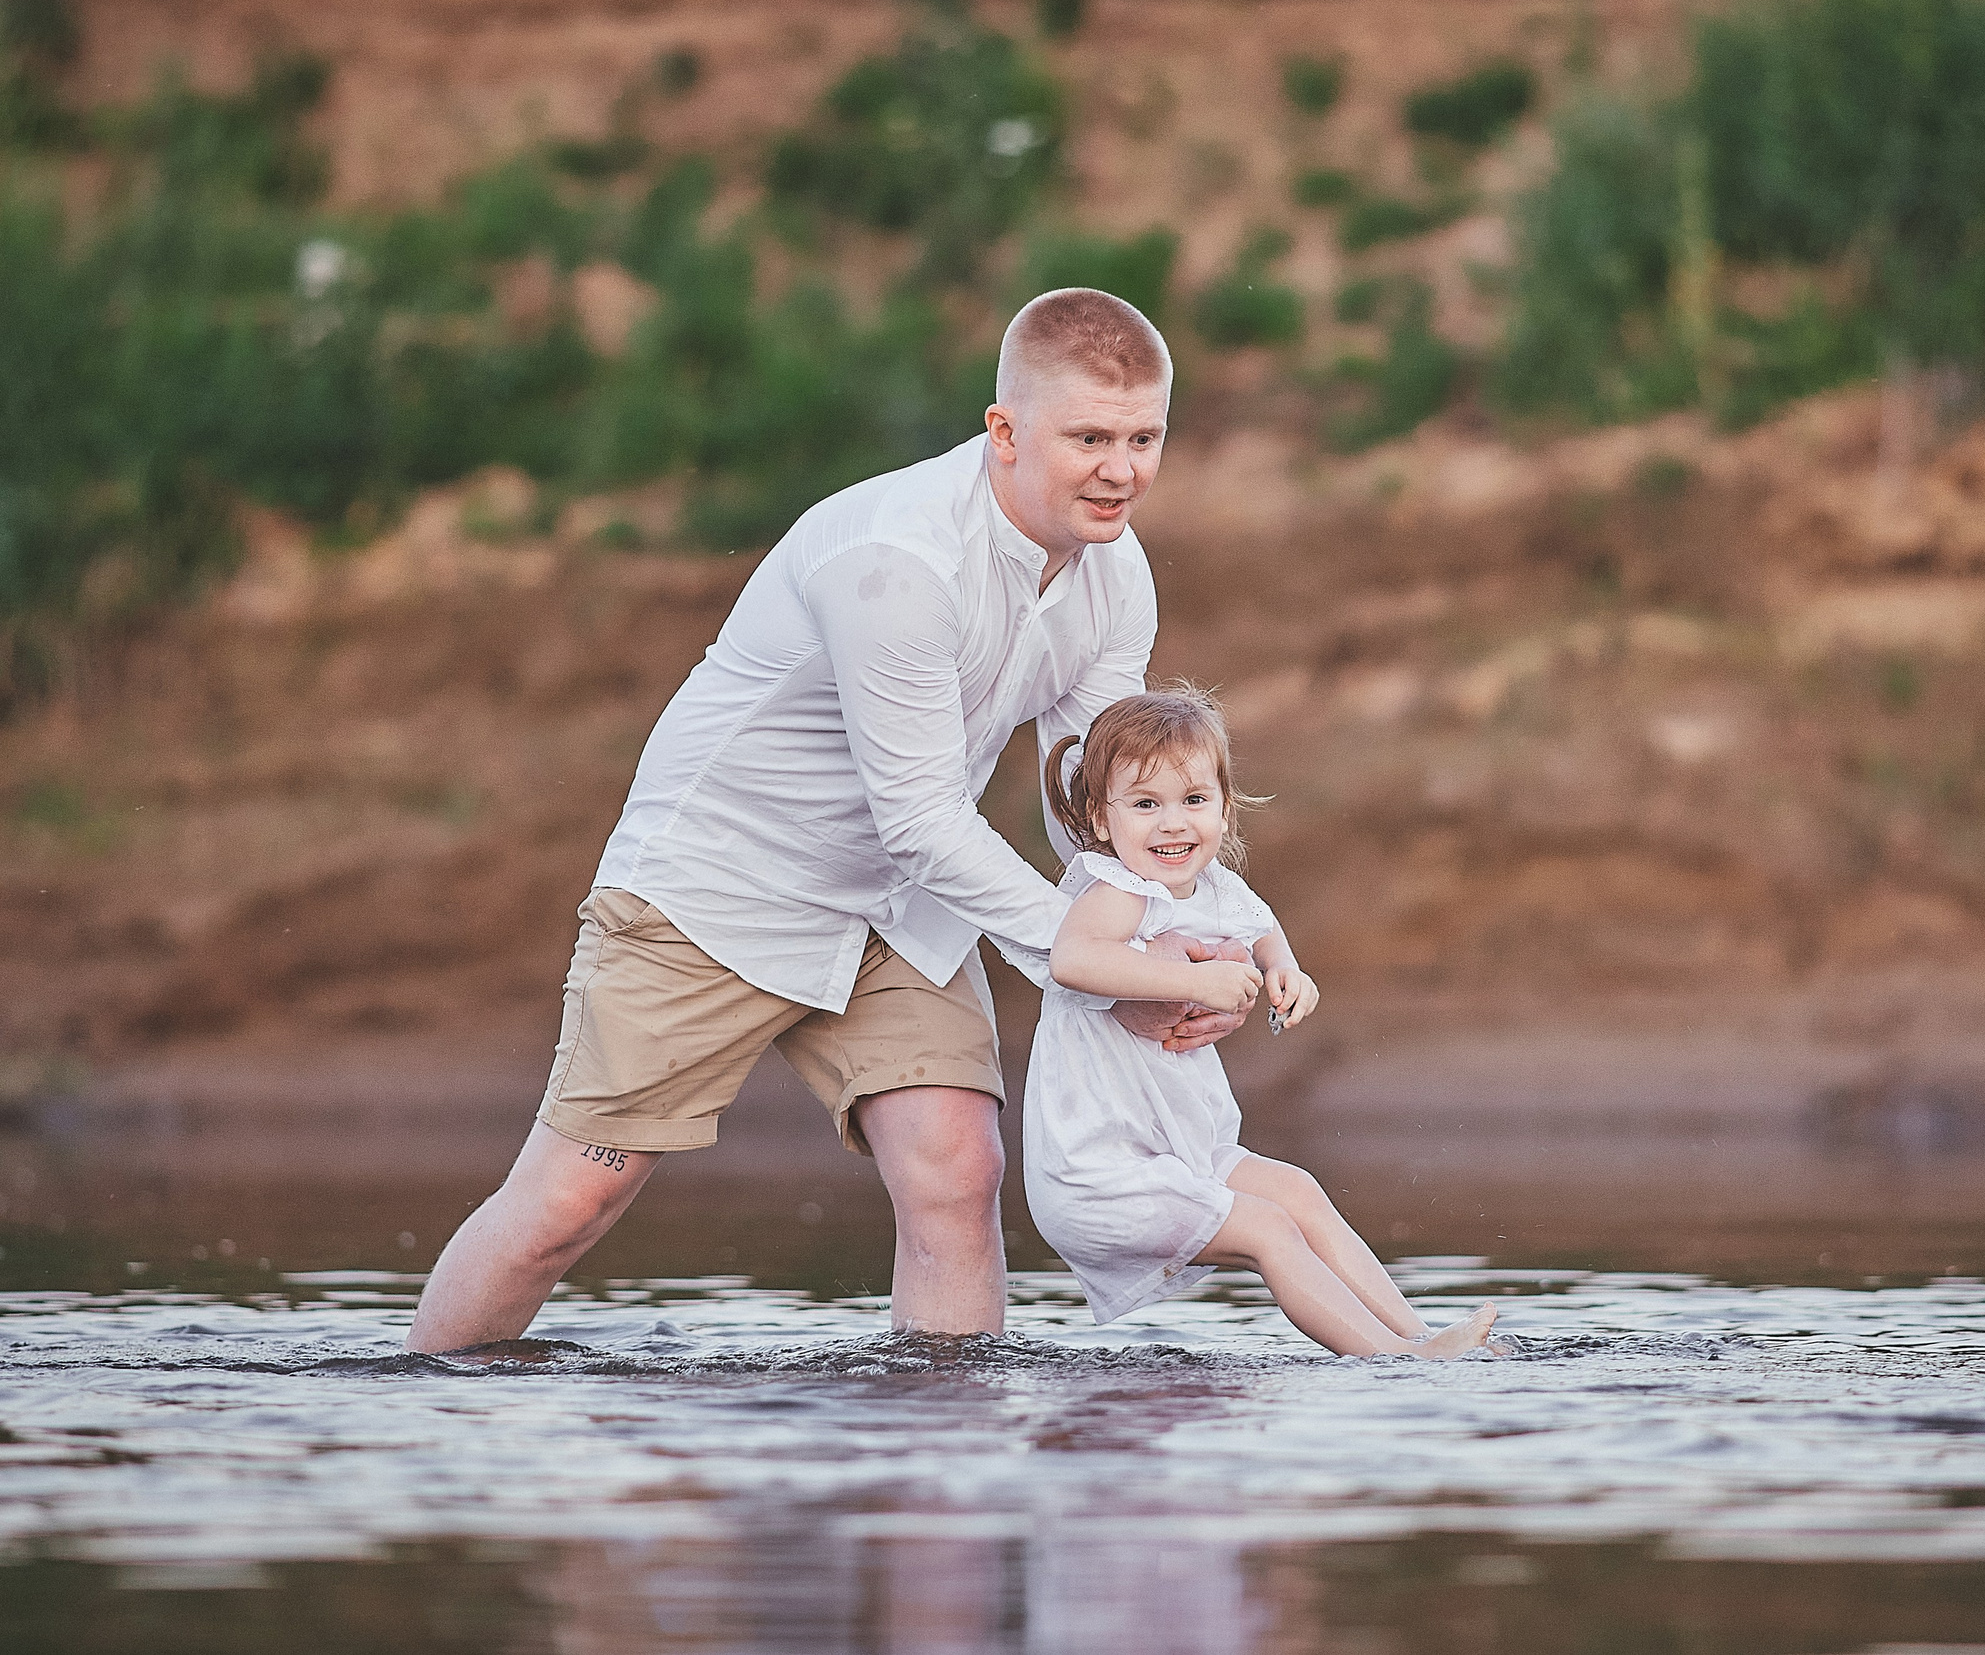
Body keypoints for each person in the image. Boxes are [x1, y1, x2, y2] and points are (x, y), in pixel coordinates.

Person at [405, 290, 1246, 1354]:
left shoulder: (1116, 573)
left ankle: (941, 1447)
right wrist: (1101, 966)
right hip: (717, 890)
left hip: (899, 909)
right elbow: (921, 817)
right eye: (1088, 439)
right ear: (1005, 430)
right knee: (571, 1204)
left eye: (1143, 439)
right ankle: (417, 1411)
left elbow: (1094, 797)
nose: (1120, 471)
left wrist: (1168, 942)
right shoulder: (898, 560)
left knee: (959, 1172)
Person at [1028, 687, 1501, 1357]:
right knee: (1267, 1229)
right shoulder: (1117, 893)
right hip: (1100, 1173)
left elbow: (1266, 935)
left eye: (1194, 800)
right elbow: (1073, 960)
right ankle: (1395, 1359)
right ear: (1102, 821)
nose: (1172, 824)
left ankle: (1420, 1335)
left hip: (1181, 1154)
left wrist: (1288, 974)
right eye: (1145, 804)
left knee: (1296, 1193)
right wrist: (1194, 981)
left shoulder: (1220, 890)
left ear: (1225, 807)